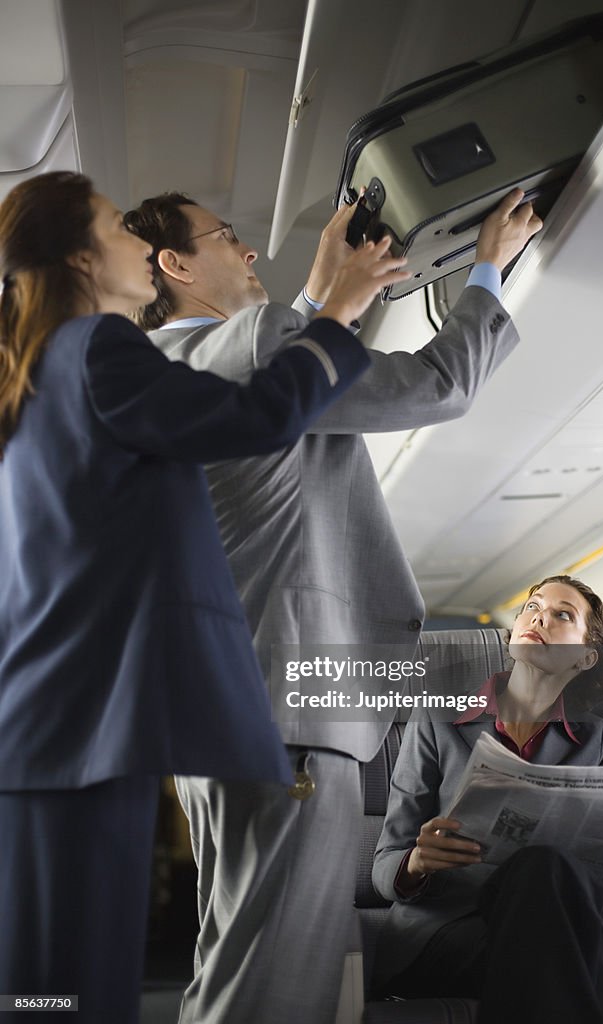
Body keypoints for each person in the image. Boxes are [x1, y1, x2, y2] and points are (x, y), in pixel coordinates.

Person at [123, 186, 542, 1024]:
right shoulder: (242, 349)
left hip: (227, 717)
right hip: (291, 718)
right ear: (175, 265)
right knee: (283, 978)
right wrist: (491, 264)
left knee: (240, 954)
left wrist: (326, 299)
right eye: (228, 236)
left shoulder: (166, 377)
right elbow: (436, 384)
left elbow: (279, 353)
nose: (248, 254)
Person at [0, 170, 402, 1023]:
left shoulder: (34, 382)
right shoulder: (93, 349)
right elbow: (250, 417)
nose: (143, 245)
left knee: (54, 986)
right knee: (63, 990)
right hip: (75, 728)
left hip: (63, 725)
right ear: (79, 255)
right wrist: (333, 310)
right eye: (119, 227)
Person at [371, 575, 603, 1024]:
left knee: (548, 881)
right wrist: (418, 861)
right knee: (552, 897)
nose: (539, 616)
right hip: (450, 933)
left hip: (557, 931)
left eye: (562, 615)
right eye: (532, 606)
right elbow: (384, 866)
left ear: (585, 657)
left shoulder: (596, 739)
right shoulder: (437, 719)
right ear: (513, 630)